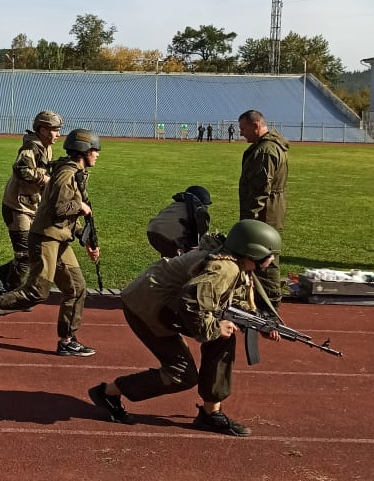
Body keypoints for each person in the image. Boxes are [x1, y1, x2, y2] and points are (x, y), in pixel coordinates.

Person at [87, 219, 282, 436]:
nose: (272, 258)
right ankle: (108, 392)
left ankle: (210, 414)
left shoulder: (235, 262)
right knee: (182, 374)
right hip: (147, 308)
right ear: (253, 252)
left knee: (224, 337)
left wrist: (257, 322)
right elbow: (191, 302)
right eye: (270, 253)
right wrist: (215, 328)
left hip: (167, 306)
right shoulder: (225, 268)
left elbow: (231, 298)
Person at [0, 128, 102, 357]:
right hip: (45, 239)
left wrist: (86, 240)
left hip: (60, 238)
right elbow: (58, 208)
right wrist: (80, 207)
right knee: (37, 291)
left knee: (76, 288)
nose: (98, 155)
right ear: (84, 151)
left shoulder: (76, 172)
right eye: (95, 150)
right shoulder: (67, 174)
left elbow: (65, 217)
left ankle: (67, 340)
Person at [0, 111, 63, 292]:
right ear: (43, 130)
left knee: (32, 251)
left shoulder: (46, 147)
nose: (58, 134)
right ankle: (12, 290)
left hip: (31, 206)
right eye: (55, 130)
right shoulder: (31, 146)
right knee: (24, 254)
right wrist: (44, 179)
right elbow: (21, 170)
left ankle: (4, 272)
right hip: (17, 207)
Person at [238, 110, 289, 310]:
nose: (241, 133)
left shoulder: (265, 151)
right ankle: (263, 299)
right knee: (264, 255)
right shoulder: (268, 147)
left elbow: (260, 190)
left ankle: (270, 305)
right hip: (269, 211)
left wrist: (249, 222)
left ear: (255, 126)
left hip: (264, 215)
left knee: (266, 257)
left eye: (243, 128)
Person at [146, 186, 212, 258]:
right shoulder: (199, 211)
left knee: (168, 253)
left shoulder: (175, 205)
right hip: (169, 239)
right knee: (179, 261)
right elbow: (202, 234)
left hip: (151, 232)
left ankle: (164, 265)